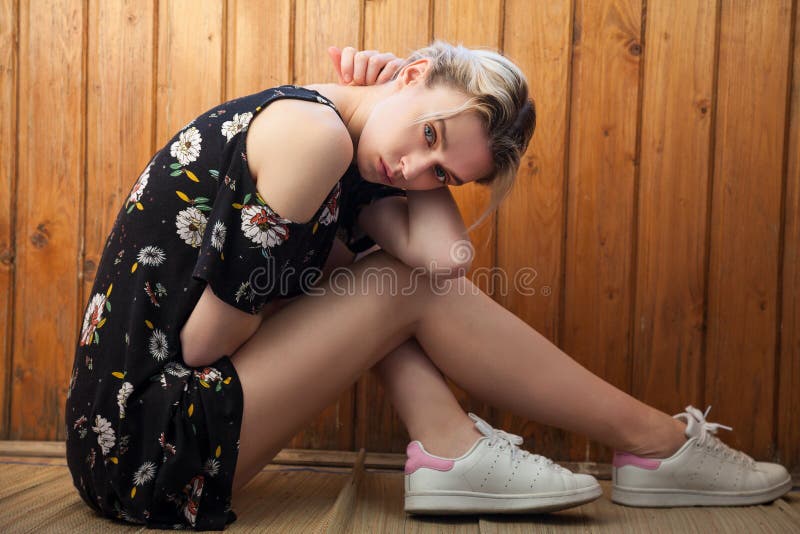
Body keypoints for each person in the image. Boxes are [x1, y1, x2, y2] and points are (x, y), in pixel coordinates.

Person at [65, 41, 792, 530]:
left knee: (388, 274)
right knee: (379, 278)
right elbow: (200, 343)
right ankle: (651, 444)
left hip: (145, 433)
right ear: (411, 75)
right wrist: (322, 278)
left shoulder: (357, 163)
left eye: (445, 174)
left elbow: (443, 260)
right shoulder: (315, 137)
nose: (416, 169)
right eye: (432, 136)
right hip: (144, 446)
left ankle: (457, 449)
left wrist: (417, 155)